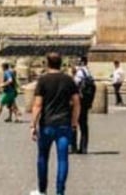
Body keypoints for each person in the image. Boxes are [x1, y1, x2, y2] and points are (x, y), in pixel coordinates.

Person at [29, 52, 80, 195]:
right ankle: (60, 192)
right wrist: (74, 123)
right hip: (64, 124)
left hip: (47, 124)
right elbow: (77, 103)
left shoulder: (43, 80)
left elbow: (38, 105)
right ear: (61, 63)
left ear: (47, 63)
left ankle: (42, 190)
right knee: (63, 159)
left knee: (42, 157)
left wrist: (33, 124)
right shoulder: (69, 80)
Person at [73, 57, 94, 155]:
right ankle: (84, 147)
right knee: (84, 124)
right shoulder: (89, 72)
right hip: (86, 101)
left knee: (74, 123)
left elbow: (74, 85)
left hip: (78, 101)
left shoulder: (80, 72)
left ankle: (73, 146)